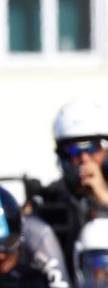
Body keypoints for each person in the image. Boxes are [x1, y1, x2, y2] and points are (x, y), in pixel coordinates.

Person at [27, 99, 108, 275]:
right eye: (74, 150)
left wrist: (103, 196)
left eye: (93, 147)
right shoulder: (49, 200)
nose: (85, 159)